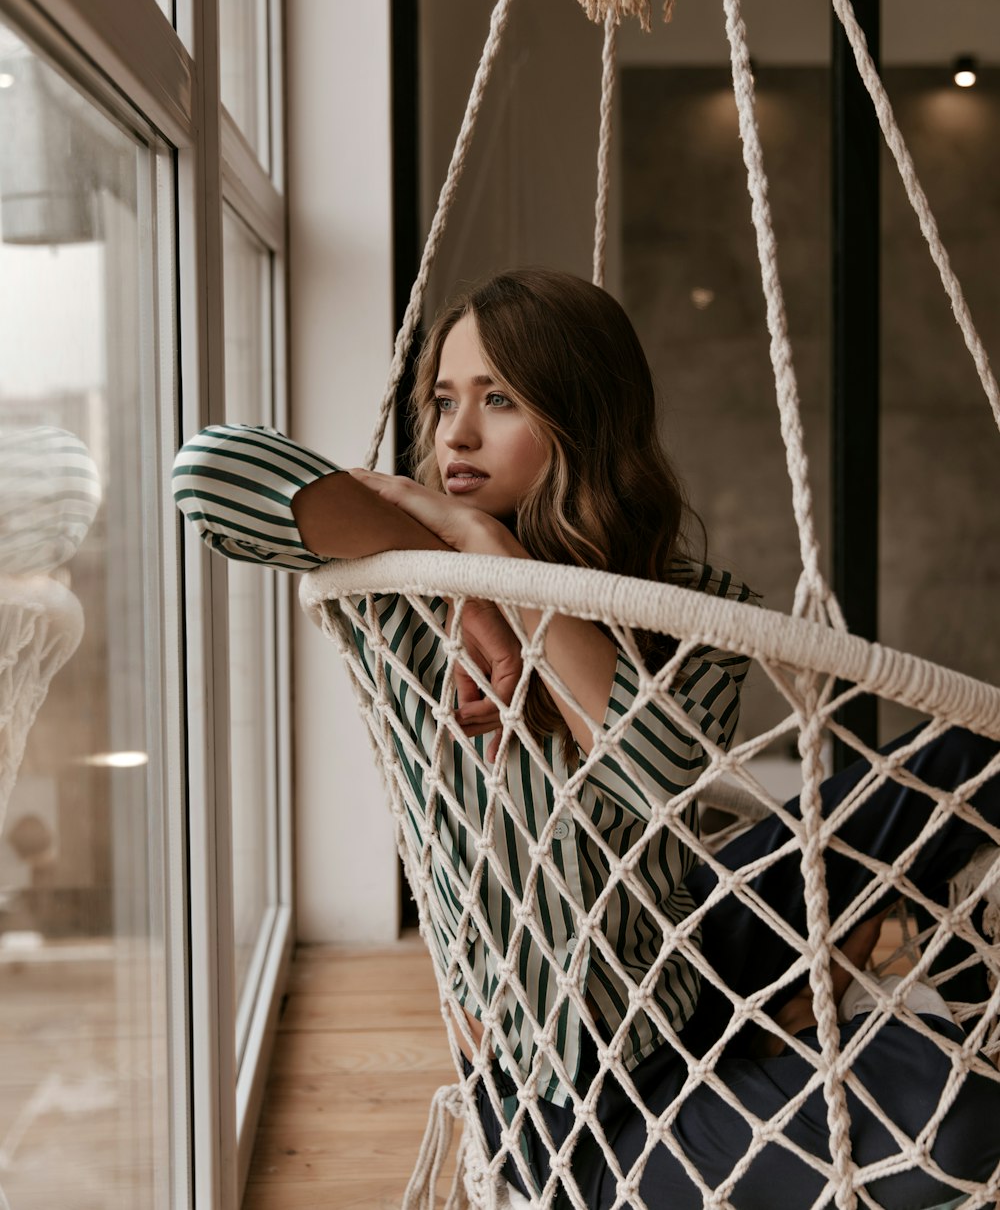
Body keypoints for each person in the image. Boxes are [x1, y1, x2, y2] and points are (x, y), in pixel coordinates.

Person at [173, 268, 1000, 1209]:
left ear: (582, 421)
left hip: (680, 960)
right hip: (578, 1120)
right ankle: (859, 1031)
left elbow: (657, 771)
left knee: (963, 760)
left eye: (500, 399)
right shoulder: (397, 597)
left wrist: (501, 568)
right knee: (959, 1119)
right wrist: (455, 570)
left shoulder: (693, 605)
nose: (456, 434)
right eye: (444, 400)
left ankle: (910, 998)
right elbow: (211, 474)